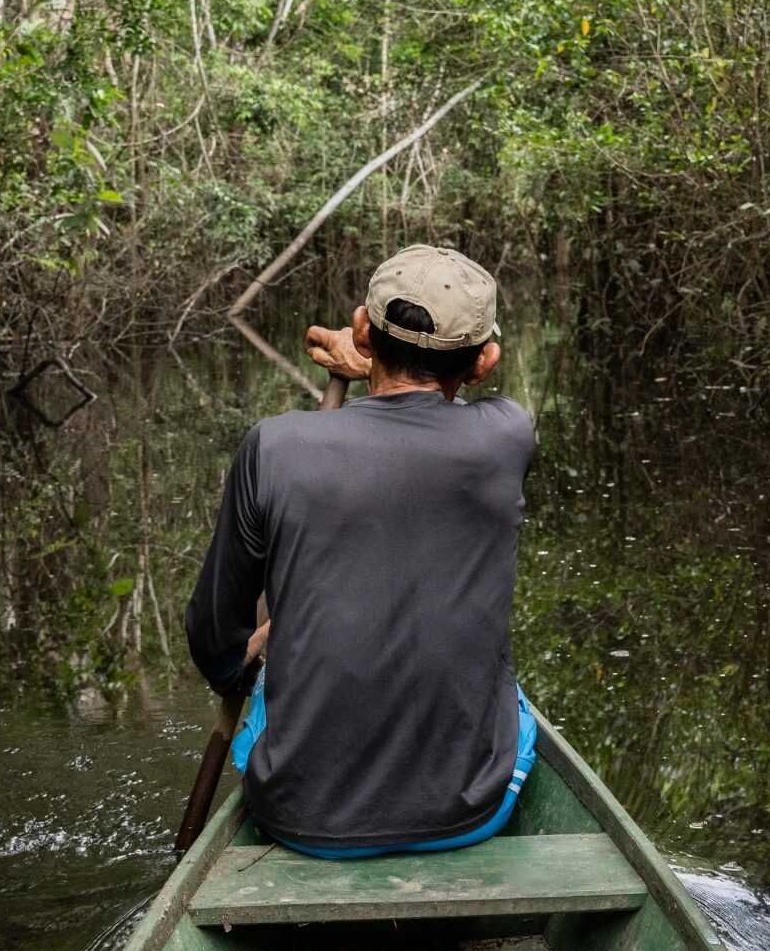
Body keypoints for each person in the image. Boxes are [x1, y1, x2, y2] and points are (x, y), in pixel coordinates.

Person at [184, 245, 538, 858]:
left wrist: (246, 659)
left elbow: (214, 643)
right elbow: (427, 423)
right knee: (514, 696)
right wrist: (376, 365)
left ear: (361, 328)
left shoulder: (276, 446)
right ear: (485, 363)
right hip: (469, 811)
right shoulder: (507, 435)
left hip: (299, 815)